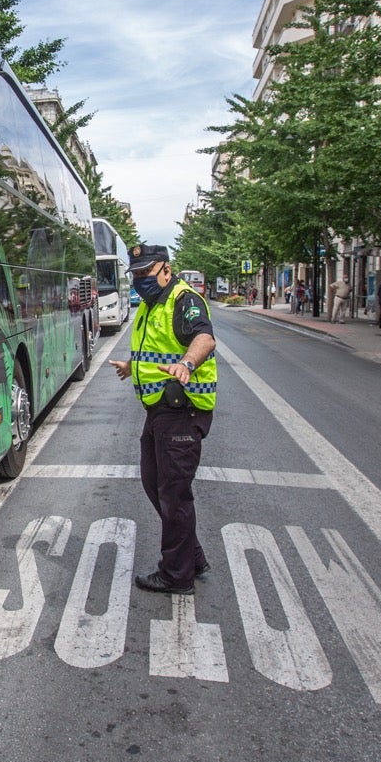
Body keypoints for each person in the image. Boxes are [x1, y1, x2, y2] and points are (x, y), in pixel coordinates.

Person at [107, 244, 218, 595]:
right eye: (136, 274)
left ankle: (177, 575)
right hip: (160, 410)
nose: (141, 280)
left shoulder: (184, 300)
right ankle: (191, 557)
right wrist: (132, 367)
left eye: (146, 272)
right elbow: (154, 349)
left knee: (173, 494)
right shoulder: (152, 303)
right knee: (155, 483)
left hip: (182, 410)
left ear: (166, 270)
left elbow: (204, 338)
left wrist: (186, 365)